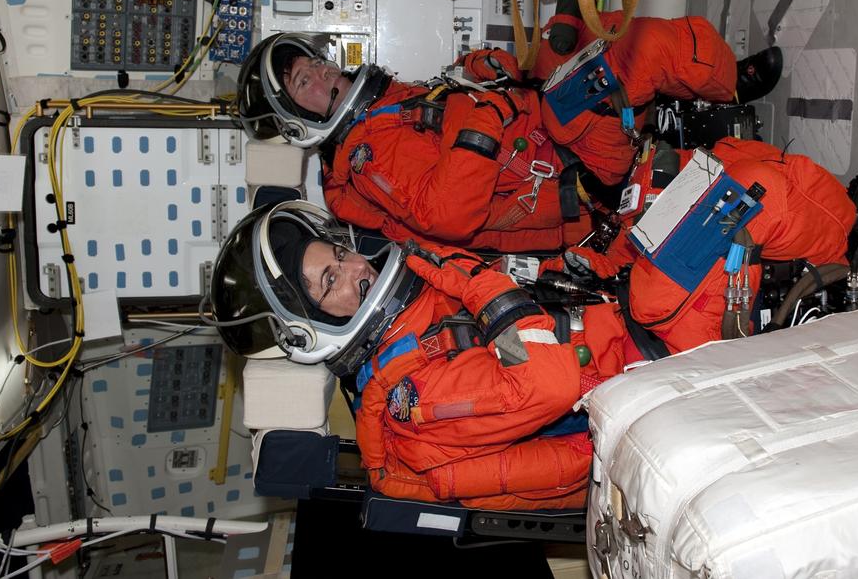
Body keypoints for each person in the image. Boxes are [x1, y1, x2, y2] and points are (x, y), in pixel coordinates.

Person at [207, 201, 632, 510]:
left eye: (339, 255)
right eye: (331, 279)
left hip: (623, 321)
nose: (357, 268)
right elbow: (542, 381)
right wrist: (482, 290)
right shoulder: (411, 403)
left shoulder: (420, 294)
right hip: (639, 378)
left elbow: (534, 293)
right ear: (310, 331)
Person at [236, 33, 585, 253]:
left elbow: (444, 98)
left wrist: (476, 65)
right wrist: (490, 115)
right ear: (301, 120)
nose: (323, 71)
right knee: (637, 52)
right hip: (565, 174)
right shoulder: (367, 157)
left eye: (315, 62)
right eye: (304, 80)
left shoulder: (382, 105)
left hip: (549, 132)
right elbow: (449, 213)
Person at [547, 137, 857, 354]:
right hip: (673, 318)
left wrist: (583, 265)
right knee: (761, 189)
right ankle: (852, 222)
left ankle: (843, 212)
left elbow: (625, 260)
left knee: (732, 164)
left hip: (639, 296)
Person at [459, 0, 785, 188]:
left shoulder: (523, 67)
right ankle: (729, 89)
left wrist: (566, 21)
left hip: (575, 83)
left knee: (648, 48)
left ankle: (729, 87)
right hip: (577, 123)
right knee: (615, 173)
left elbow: (510, 65)